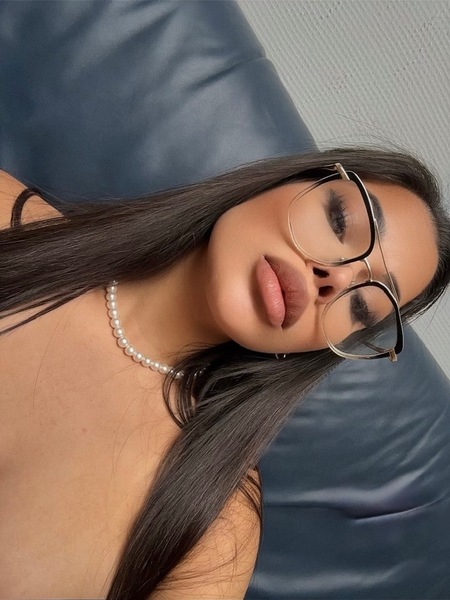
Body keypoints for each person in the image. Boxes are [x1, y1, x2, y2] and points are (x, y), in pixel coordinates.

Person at [0, 147, 449, 600]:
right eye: (339, 222)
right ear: (284, 182)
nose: (333, 278)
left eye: (362, 306)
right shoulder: (10, 218)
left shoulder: (216, 532)